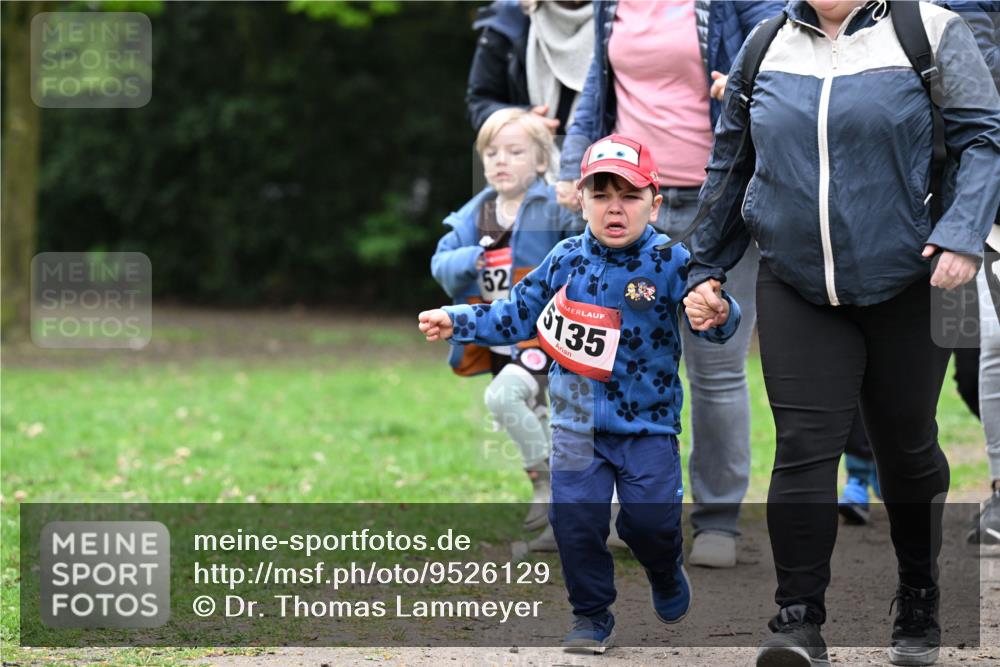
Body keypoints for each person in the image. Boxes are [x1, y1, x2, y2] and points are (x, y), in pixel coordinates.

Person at [683, 0, 1000, 665]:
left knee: (906, 450)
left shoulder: (931, 30)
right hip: (795, 281)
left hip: (912, 278)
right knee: (803, 446)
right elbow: (731, 161)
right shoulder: (765, 43)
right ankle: (797, 620)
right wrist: (703, 267)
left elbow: (984, 139)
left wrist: (962, 233)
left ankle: (919, 596)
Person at [420, 134, 742, 653]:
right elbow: (515, 315)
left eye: (630, 196)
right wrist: (456, 320)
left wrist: (720, 313)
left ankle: (664, 569)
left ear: (655, 204)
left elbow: (714, 321)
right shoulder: (564, 258)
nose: (615, 207)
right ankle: (591, 615)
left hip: (648, 426)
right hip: (575, 424)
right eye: (601, 195)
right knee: (574, 521)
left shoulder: (672, 260)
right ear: (582, 200)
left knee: (651, 525)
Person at [555, 0, 785, 569]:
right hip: (631, 208)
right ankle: (623, 507)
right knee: (614, 362)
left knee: (717, 370)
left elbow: (784, 59)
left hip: (719, 202)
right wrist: (570, 164)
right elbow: (597, 84)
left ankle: (717, 521)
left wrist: (744, 88)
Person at [431, 108, 582, 550]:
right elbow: (440, 264)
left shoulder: (552, 205)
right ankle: (555, 500)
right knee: (529, 414)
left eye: (515, 152)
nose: (501, 161)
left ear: (542, 161)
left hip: (549, 336)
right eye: (492, 153)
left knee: (511, 401)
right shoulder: (476, 214)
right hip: (499, 338)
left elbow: (586, 244)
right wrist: (472, 259)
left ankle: (556, 489)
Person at [465, 0, 594, 136]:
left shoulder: (610, 23)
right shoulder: (510, 19)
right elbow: (480, 104)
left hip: (601, 147)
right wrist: (520, 121)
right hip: (523, 147)